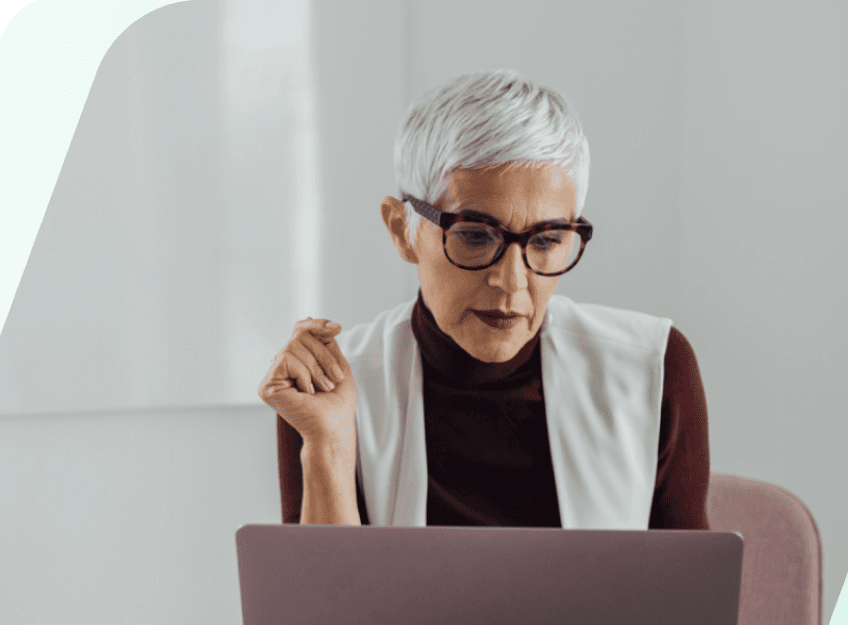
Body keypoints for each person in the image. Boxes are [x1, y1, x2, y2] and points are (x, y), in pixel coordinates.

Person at [259, 69, 709, 530]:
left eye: (547, 240)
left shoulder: (651, 368)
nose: (511, 283)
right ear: (402, 230)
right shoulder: (329, 387)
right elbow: (326, 601)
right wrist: (328, 443)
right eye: (475, 236)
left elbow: (690, 597)